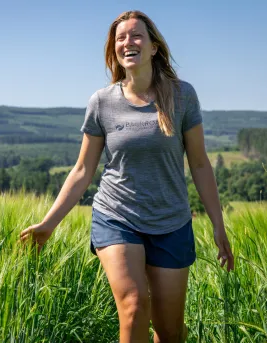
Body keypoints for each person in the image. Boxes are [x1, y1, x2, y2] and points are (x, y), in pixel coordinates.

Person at [20, 10, 235, 343]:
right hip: (116, 216)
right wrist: (48, 224)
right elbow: (82, 170)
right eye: (121, 38)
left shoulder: (183, 96)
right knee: (134, 307)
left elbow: (201, 164)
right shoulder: (102, 102)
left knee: (170, 331)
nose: (127, 42)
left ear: (153, 47)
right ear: (114, 50)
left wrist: (218, 225)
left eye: (136, 36)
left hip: (171, 222)